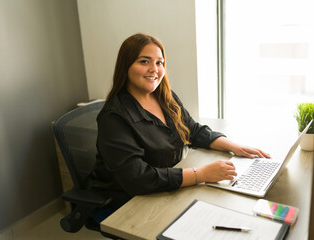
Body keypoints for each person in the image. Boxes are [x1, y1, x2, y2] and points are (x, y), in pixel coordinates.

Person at [90, 33, 270, 211]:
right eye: (144, 61)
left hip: (169, 186)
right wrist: (201, 174)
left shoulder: (164, 97)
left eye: (159, 62)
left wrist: (233, 146)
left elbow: (192, 129)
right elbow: (137, 178)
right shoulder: (113, 117)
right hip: (130, 201)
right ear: (126, 66)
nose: (154, 69)